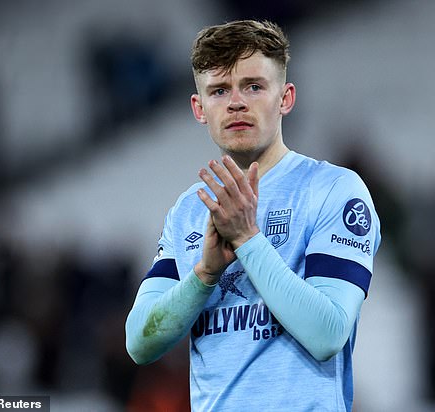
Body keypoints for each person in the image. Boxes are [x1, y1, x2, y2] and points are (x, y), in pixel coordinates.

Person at [125, 20, 381, 411]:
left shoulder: (333, 190)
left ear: (286, 98)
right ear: (199, 107)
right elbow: (139, 343)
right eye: (219, 90)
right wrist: (204, 275)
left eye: (254, 86)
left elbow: (328, 333)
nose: (236, 103)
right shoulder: (189, 210)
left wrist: (247, 239)